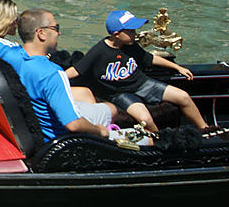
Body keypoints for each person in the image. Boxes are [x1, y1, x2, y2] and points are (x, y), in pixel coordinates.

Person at [0, 9, 110, 141]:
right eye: (55, 28)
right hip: (58, 138)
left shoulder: (7, 52)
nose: (59, 33)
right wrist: (99, 130)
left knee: (88, 97)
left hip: (31, 121)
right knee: (110, 111)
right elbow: (73, 124)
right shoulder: (53, 73)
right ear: (41, 33)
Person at [64, 10, 208, 133]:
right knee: (145, 119)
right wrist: (57, 79)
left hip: (142, 84)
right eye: (131, 31)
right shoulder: (99, 51)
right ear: (117, 34)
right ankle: (161, 141)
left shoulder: (131, 45)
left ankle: (205, 130)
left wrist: (177, 67)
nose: (135, 33)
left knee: (183, 97)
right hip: (120, 94)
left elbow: (150, 59)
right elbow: (77, 70)